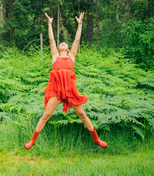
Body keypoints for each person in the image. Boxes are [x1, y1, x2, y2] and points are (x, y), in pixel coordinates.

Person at [24, 12, 107, 149]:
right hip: (56, 91)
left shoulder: (71, 56)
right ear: (58, 48)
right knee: (46, 115)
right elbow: (51, 40)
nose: (62, 44)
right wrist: (50, 24)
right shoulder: (55, 56)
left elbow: (76, 41)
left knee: (82, 114)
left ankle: (96, 139)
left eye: (65, 44)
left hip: (69, 91)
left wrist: (80, 24)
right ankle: (32, 140)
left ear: (67, 48)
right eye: (60, 43)